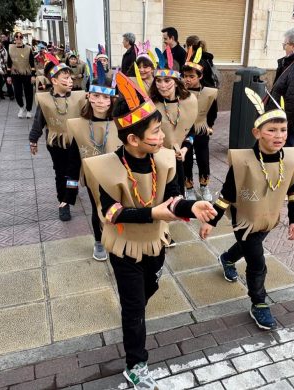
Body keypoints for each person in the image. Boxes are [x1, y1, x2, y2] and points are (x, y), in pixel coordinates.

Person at [82, 72, 216, 390]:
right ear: (133, 139)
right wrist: (153, 212)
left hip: (154, 244)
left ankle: (135, 315)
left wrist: (191, 207)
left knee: (145, 294)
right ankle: (136, 364)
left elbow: (173, 200)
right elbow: (111, 213)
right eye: (155, 131)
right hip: (123, 247)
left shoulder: (165, 160)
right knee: (133, 308)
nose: (161, 134)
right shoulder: (104, 167)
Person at [200, 88, 294, 330]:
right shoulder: (243, 161)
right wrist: (210, 221)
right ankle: (259, 303)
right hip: (243, 219)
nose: (279, 136)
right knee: (257, 262)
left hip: (269, 218)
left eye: (283, 130)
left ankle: (227, 258)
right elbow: (227, 194)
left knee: (249, 248)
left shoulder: (290, 159)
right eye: (272, 130)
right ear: (257, 133)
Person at [67, 63, 120, 260]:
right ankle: (99, 240)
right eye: (96, 96)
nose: (100, 101)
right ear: (88, 96)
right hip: (92, 178)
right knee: (97, 206)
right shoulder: (79, 125)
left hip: (117, 176)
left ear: (112, 99)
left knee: (116, 208)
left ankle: (116, 235)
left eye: (105, 97)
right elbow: (74, 158)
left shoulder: (120, 124)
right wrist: (69, 191)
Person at [28, 56, 87, 221]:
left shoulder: (78, 97)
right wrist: (33, 140)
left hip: (75, 142)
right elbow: (39, 120)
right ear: (54, 80)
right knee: (61, 173)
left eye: (70, 77)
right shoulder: (45, 100)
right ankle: (63, 202)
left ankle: (69, 195)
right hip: (55, 142)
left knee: (72, 172)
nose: (70, 80)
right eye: (66, 78)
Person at [149, 45, 198, 197]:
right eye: (159, 80)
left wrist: (184, 149)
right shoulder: (151, 104)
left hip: (177, 157)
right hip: (155, 158)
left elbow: (191, 130)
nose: (162, 85)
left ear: (176, 81)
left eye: (167, 80)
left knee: (176, 195)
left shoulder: (189, 101)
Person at [182, 48, 218, 201]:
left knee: (203, 159)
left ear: (200, 76)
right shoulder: (180, 92)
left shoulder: (209, 92)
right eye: (185, 76)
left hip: (201, 129)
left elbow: (213, 111)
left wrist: (210, 125)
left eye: (191, 76)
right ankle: (188, 188)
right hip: (184, 130)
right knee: (186, 159)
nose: (188, 79)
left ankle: (204, 186)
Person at [7, 32, 36, 118]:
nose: (18, 38)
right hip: (15, 74)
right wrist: (8, 76)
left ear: (22, 38)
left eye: (20, 37)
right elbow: (9, 63)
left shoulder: (28, 48)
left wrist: (33, 75)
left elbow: (32, 62)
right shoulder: (10, 48)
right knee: (17, 93)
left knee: (29, 93)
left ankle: (29, 110)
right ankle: (21, 107)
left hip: (27, 73)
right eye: (17, 37)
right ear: (14, 38)